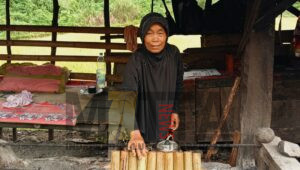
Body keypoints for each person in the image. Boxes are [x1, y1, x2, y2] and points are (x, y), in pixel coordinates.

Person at [122, 12, 184, 159]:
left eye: (160, 33)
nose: (155, 39)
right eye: (149, 33)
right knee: (143, 156)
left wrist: (174, 110)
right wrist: (134, 131)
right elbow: (126, 97)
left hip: (164, 114)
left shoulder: (173, 54)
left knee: (164, 156)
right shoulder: (136, 59)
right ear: (143, 36)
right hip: (141, 119)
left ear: (166, 35)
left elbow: (178, 83)